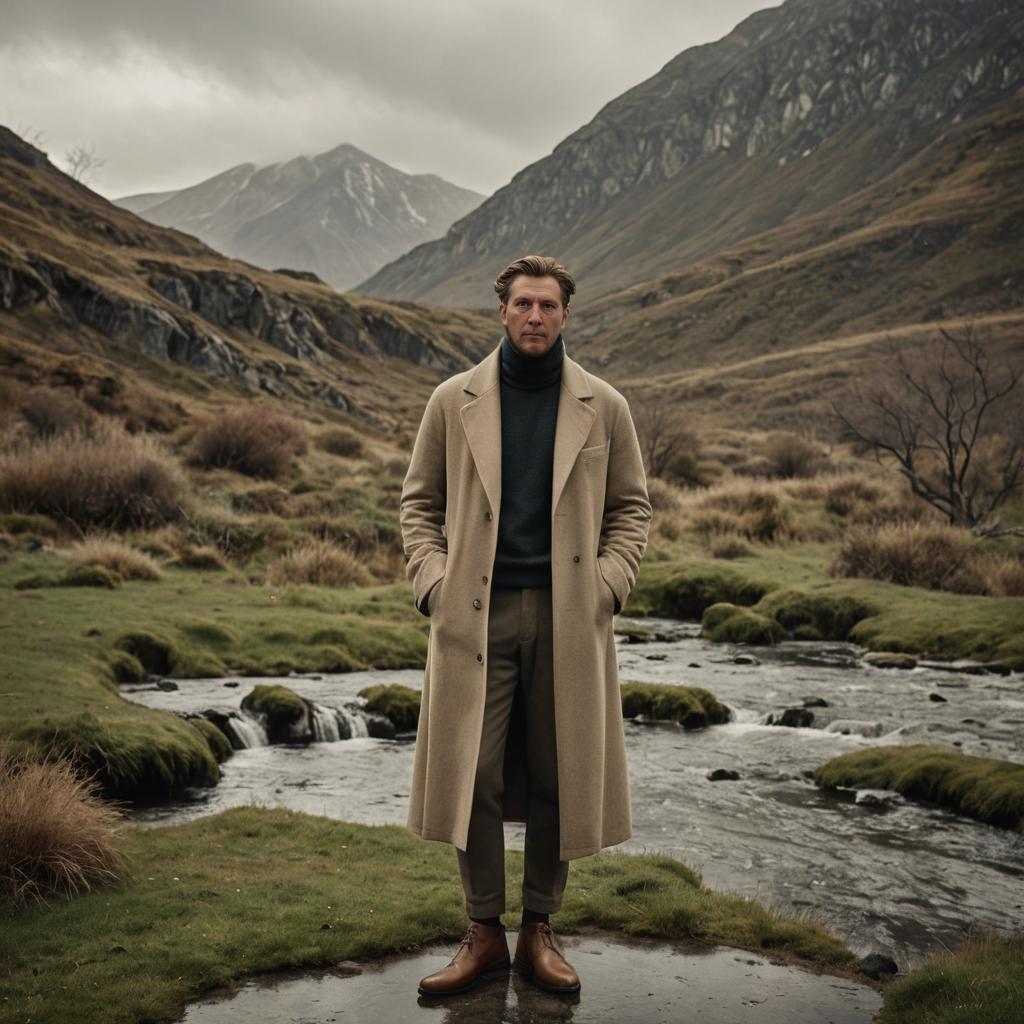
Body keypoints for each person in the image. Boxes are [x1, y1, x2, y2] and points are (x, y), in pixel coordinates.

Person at [399, 254, 652, 998]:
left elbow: (632, 508)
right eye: (522, 304)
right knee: (470, 774)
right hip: (472, 617)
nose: (535, 316)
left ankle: (541, 927)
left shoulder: (605, 406)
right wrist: (435, 585)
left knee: (557, 772)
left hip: (571, 616)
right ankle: (482, 932)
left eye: (548, 305)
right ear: (501, 312)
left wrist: (609, 585)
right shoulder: (454, 399)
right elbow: (417, 505)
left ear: (567, 315)